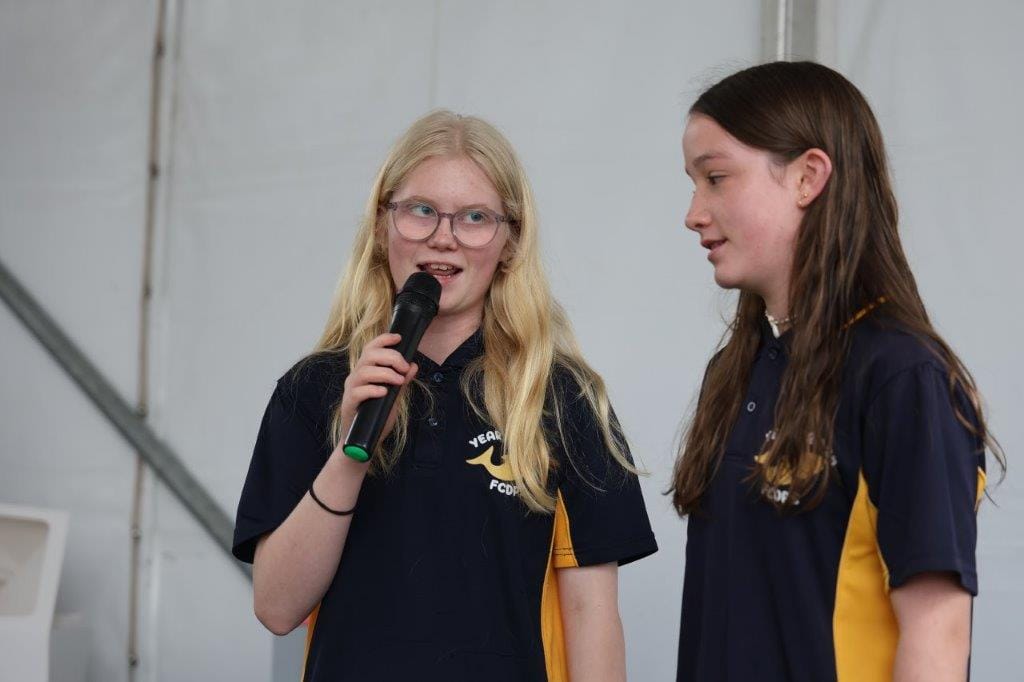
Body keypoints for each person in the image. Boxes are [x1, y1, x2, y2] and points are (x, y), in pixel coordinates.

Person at [232, 110, 657, 682]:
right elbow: (276, 608)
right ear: (384, 225)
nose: (443, 237)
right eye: (421, 211)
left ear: (510, 239)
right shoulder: (314, 389)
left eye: (475, 217)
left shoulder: (561, 399)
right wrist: (349, 454)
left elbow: (592, 613)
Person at [671, 61, 1004, 681]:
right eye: (693, 183)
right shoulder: (737, 370)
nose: (693, 212)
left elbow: (937, 631)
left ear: (807, 176)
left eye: (715, 178)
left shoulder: (903, 376)